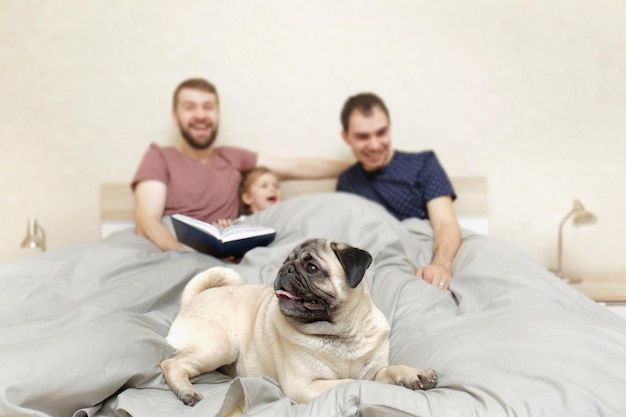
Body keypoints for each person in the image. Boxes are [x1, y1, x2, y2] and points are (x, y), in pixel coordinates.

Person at [131, 78, 348, 252]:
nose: (200, 115)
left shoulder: (232, 157)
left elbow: (297, 167)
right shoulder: (158, 157)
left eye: (208, 107)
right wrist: (182, 255)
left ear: (217, 115)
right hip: (174, 251)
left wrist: (355, 167)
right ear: (176, 117)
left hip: (225, 254)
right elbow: (147, 221)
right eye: (190, 107)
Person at [336, 92, 461, 290]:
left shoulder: (424, 164)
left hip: (430, 253)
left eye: (381, 133)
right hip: (384, 266)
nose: (375, 145)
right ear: (346, 137)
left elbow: (445, 223)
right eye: (362, 136)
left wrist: (440, 265)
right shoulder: (347, 182)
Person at [213, 166, 282, 228]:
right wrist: (224, 227)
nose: (273, 189)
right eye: (264, 186)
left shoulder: (283, 217)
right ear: (248, 198)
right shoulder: (241, 222)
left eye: (276, 186)